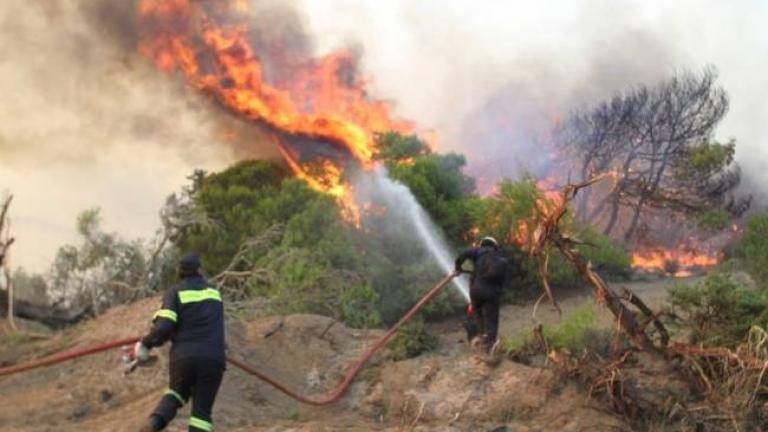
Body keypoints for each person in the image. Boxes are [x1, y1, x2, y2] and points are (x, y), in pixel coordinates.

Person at [134, 253, 226, 432]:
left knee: (176, 393)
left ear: (179, 271)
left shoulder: (175, 292)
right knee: (202, 413)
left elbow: (164, 326)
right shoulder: (215, 293)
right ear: (199, 270)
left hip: (184, 357)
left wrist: (146, 344)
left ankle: (154, 422)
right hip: (213, 356)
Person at [454, 236, 509, 354]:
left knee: (477, 314)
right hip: (492, 293)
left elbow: (464, 254)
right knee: (492, 320)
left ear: (482, 244)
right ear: (495, 246)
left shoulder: (478, 251)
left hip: (476, 291)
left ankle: (480, 337)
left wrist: (458, 266)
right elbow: (502, 281)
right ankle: (489, 347)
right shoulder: (500, 257)